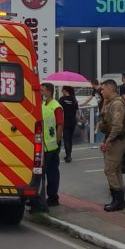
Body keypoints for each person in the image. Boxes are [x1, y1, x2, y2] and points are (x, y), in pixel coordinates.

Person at [99, 79, 125, 212]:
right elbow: (103, 119)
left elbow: (117, 126)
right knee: (115, 170)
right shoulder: (110, 103)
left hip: (116, 140)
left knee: (110, 169)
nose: (101, 91)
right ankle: (118, 200)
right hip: (113, 139)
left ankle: (118, 200)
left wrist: (108, 141)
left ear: (110, 89)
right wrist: (104, 102)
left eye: (103, 89)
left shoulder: (117, 104)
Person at [33, 82, 64, 212]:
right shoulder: (46, 106)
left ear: (49, 92)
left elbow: (60, 126)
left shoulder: (55, 107)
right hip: (49, 145)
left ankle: (49, 199)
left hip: (50, 145)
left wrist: (56, 143)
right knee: (50, 172)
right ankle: (48, 199)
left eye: (43, 90)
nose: (41, 92)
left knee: (49, 173)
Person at [58, 86, 78, 163]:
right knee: (70, 138)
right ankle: (69, 154)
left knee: (66, 139)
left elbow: (58, 109)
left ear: (65, 91)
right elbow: (76, 109)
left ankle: (68, 156)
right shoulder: (74, 99)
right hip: (73, 121)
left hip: (65, 121)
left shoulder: (62, 99)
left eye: (62, 90)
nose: (62, 91)